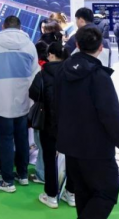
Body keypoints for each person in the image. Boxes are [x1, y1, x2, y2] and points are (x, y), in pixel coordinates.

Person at [54, 25, 119, 217]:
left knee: (83, 192)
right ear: (100, 47)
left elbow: (55, 105)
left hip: (70, 145)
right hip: (96, 147)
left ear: (77, 44)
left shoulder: (62, 70)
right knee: (107, 193)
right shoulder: (99, 76)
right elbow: (111, 117)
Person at [0, 15, 38, 193]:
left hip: (0, 99)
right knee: (22, 138)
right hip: (23, 100)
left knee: (5, 139)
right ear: (20, 27)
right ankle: (22, 175)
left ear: (4, 26)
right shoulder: (30, 45)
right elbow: (35, 75)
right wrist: (31, 100)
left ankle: (7, 180)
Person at [30, 42, 76, 209]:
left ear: (50, 55)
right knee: (72, 158)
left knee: (50, 159)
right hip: (71, 122)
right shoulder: (74, 73)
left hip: (48, 122)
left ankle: (51, 196)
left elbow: (33, 93)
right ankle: (71, 194)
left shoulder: (43, 74)